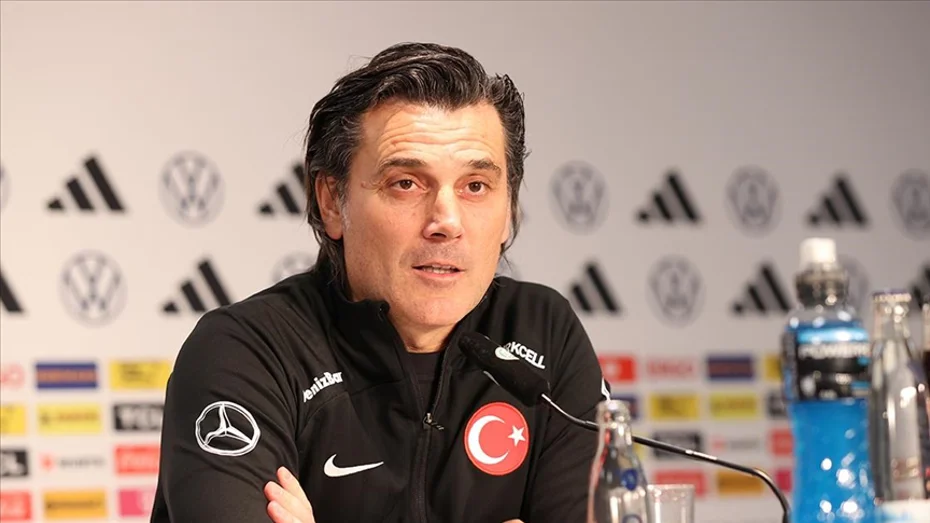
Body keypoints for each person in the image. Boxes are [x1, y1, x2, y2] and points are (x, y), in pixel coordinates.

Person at [149, 41, 609, 523]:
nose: (447, 222)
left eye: (475, 186)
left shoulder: (543, 332)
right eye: (406, 183)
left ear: (509, 209)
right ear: (331, 202)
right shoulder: (247, 350)